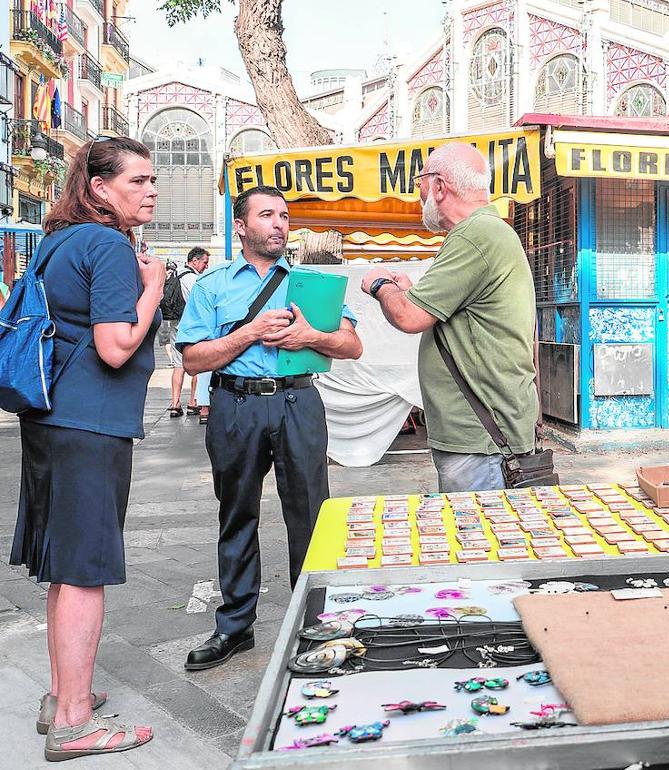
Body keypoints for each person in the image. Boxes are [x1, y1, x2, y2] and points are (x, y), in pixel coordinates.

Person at [9, 136, 160, 759]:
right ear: (100, 188)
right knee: (84, 571)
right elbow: (115, 346)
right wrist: (152, 286)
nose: (151, 192)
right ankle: (74, 721)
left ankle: (60, 696)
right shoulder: (109, 245)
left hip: (50, 418)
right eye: (139, 182)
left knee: (62, 565)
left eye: (153, 182)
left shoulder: (58, 242)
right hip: (89, 423)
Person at [177, 185, 362, 670]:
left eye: (284, 215)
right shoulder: (212, 286)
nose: (279, 223)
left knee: (310, 515)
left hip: (299, 401)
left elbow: (350, 345)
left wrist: (312, 335)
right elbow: (194, 360)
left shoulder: (308, 284)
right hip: (234, 405)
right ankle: (235, 627)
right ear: (241, 227)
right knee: (237, 513)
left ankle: (315, 623)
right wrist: (249, 333)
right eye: (267, 215)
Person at [361, 143, 538, 493]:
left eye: (420, 183)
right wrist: (409, 289)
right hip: (483, 434)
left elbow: (409, 316)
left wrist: (379, 284)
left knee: (477, 543)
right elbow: (449, 311)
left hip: (480, 439)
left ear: (440, 186)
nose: (419, 195)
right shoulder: (485, 232)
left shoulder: (476, 235)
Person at [163, 246, 210, 417]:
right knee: (196, 363)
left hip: (175, 323)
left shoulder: (174, 274)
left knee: (178, 365)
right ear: (195, 261)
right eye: (204, 262)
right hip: (191, 327)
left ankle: (175, 404)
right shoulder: (194, 280)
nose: (206, 266)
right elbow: (200, 305)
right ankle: (193, 402)